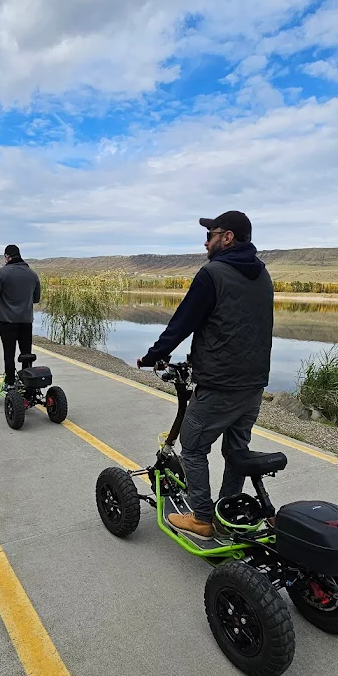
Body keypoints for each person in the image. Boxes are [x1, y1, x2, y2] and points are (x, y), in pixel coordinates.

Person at [137, 211, 273, 538]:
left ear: (227, 238)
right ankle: (227, 513)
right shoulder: (263, 275)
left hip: (219, 384)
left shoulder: (213, 274)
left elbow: (183, 323)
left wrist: (153, 356)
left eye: (211, 234)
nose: (205, 240)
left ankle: (201, 518)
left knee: (193, 446)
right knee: (235, 451)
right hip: (253, 385)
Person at [0, 245, 41, 386]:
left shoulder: (1, 273)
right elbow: (36, 299)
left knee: (9, 353)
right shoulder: (32, 274)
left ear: (7, 256)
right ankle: (27, 382)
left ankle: (10, 382)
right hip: (26, 320)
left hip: (7, 321)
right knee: (26, 353)